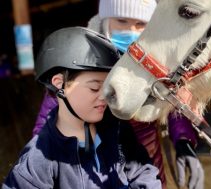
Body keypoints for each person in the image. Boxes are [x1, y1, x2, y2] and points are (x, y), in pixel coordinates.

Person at [32, 0, 204, 189]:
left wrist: (183, 139)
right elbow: (48, 118)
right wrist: (42, 162)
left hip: (146, 159)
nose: (130, 30)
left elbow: (171, 97)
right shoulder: (78, 58)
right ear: (105, 20)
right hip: (91, 166)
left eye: (140, 24)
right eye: (121, 21)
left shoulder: (156, 60)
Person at [3, 27, 161, 189]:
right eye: (94, 88)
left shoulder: (117, 128)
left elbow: (142, 170)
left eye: (107, 88)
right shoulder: (37, 164)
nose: (103, 96)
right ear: (59, 84)